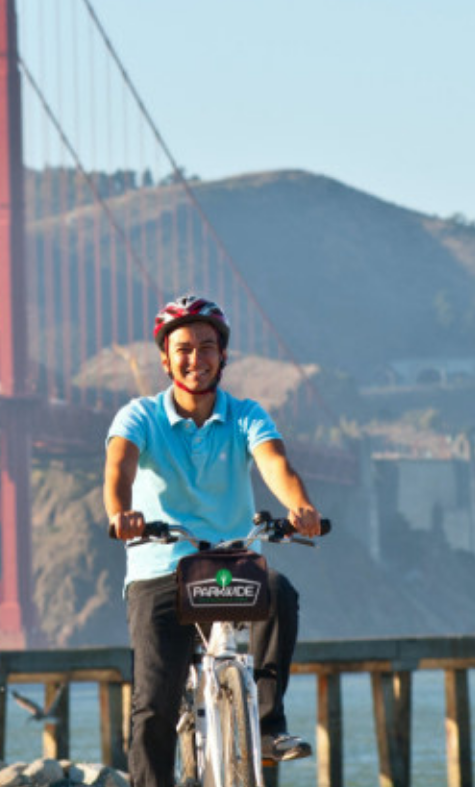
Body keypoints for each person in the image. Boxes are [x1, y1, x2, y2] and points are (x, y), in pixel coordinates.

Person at [105, 295, 323, 787]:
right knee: (154, 705)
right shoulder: (139, 416)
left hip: (230, 564)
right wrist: (120, 513)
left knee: (280, 591)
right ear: (164, 358)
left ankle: (267, 727)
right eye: (183, 348)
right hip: (160, 568)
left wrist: (300, 509)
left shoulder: (245, 414)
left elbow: (275, 464)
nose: (195, 358)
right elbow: (119, 466)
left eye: (208, 347)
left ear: (223, 356)